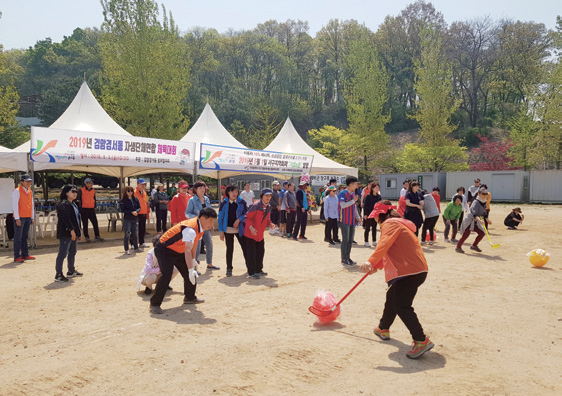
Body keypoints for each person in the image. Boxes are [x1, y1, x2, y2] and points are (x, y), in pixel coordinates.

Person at [360, 201, 433, 359]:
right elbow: (390, 249)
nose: (376, 221)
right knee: (392, 296)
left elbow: (384, 244)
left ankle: (421, 340)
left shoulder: (390, 224)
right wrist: (376, 267)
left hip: (409, 271)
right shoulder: (398, 223)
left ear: (381, 215)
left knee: (402, 305)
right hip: (415, 270)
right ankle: (383, 328)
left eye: (376, 217)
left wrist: (370, 261)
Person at [149, 207, 217, 314]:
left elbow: (194, 244)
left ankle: (190, 297)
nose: (212, 224)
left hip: (178, 249)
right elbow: (188, 250)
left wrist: (193, 261)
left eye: (213, 221)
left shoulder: (201, 227)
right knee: (167, 274)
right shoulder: (191, 229)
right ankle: (155, 303)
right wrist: (190, 268)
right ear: (203, 218)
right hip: (164, 249)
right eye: (210, 221)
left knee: (192, 271)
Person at [186, 181, 218, 270]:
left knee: (209, 244)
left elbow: (210, 212)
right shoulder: (192, 200)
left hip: (206, 226)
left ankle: (210, 264)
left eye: (203, 188)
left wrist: (211, 224)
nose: (202, 190)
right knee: (197, 246)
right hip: (196, 226)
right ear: (195, 190)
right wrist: (197, 217)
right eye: (200, 188)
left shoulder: (207, 199)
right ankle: (194, 267)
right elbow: (187, 213)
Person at [244, 188, 276, 279]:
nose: (268, 198)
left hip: (260, 235)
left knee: (260, 252)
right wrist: (251, 228)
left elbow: (266, 218)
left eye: (269, 196)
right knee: (251, 253)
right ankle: (251, 272)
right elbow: (247, 217)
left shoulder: (268, 206)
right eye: (266, 196)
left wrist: (270, 223)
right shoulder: (255, 205)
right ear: (262, 196)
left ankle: (258, 269)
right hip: (251, 234)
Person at [54, 185, 83, 282]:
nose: (75, 193)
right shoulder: (64, 204)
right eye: (72, 191)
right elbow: (66, 219)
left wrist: (78, 232)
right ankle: (58, 274)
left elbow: (77, 219)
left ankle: (71, 270)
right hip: (66, 233)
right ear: (66, 193)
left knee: (72, 252)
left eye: (76, 191)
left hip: (73, 232)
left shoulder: (73, 204)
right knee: (62, 253)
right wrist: (71, 230)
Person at [218, 184, 248, 277]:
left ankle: (250, 266)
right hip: (228, 229)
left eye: (236, 191)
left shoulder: (242, 201)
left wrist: (239, 219)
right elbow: (220, 218)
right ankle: (229, 268)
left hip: (240, 229)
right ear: (227, 193)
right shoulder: (224, 203)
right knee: (229, 249)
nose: (234, 193)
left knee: (245, 248)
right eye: (232, 191)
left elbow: (246, 213)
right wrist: (221, 231)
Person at [455, 187, 492, 254]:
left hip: (476, 221)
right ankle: (458, 247)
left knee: (482, 233)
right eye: (483, 193)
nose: (485, 195)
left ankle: (474, 246)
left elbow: (484, 212)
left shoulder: (484, 201)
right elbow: (473, 212)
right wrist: (480, 220)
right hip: (470, 220)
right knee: (466, 234)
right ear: (479, 194)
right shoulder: (476, 202)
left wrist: (487, 220)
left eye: (486, 194)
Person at [11, 174, 35, 263]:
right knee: (18, 237)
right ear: (22, 182)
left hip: (27, 216)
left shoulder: (29, 191)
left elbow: (31, 204)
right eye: (27, 181)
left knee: (25, 236)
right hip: (20, 217)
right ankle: (17, 255)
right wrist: (17, 218)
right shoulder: (17, 191)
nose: (29, 183)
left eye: (30, 181)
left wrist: (32, 217)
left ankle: (25, 254)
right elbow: (15, 206)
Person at [338, 176, 362, 265]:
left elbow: (354, 207)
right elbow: (342, 205)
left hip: (352, 220)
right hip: (344, 220)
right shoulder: (342, 193)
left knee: (350, 240)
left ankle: (348, 257)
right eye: (356, 184)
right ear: (351, 184)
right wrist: (353, 200)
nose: (357, 185)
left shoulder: (352, 194)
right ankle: (344, 259)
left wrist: (358, 218)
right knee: (345, 240)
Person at [76, 178, 103, 242]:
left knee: (95, 223)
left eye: (92, 183)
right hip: (84, 209)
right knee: (85, 224)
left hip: (91, 209)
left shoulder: (93, 190)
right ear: (86, 183)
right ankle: (87, 236)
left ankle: (97, 235)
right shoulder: (81, 190)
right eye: (90, 183)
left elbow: (94, 199)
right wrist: (80, 209)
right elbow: (78, 200)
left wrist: (95, 206)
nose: (92, 184)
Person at [119, 186, 142, 255]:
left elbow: (139, 207)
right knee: (127, 234)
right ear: (125, 192)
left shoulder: (135, 199)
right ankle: (126, 249)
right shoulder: (123, 200)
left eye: (131, 191)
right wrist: (131, 212)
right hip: (127, 219)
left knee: (135, 234)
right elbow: (122, 210)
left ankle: (136, 247)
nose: (130, 192)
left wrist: (137, 211)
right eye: (128, 191)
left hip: (135, 218)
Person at [363, 182, 382, 247]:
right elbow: (365, 206)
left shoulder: (379, 196)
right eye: (375, 187)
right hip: (369, 214)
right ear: (372, 188)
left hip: (376, 214)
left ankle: (374, 241)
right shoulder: (368, 196)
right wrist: (365, 214)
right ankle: (366, 241)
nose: (377, 189)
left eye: (378, 187)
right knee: (367, 228)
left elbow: (380, 205)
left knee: (374, 227)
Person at [134, 178, 150, 248]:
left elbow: (146, 200)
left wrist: (147, 203)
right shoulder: (134, 192)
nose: (143, 186)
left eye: (144, 184)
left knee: (142, 228)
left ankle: (142, 242)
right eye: (142, 184)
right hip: (137, 213)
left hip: (143, 212)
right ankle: (132, 243)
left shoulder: (144, 192)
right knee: (134, 229)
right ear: (138, 185)